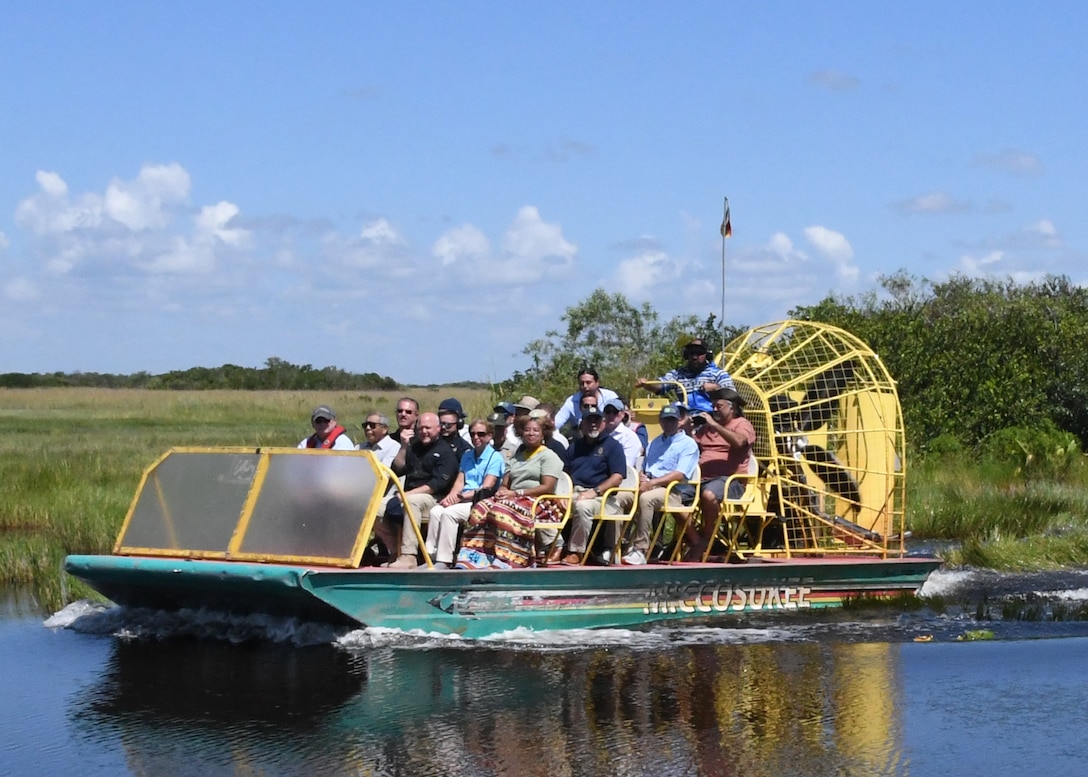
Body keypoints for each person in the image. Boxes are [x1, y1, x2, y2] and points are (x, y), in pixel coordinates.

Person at [457, 417, 565, 569]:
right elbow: (505, 484)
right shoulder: (517, 455)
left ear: (543, 434)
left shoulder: (549, 456)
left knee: (501, 511)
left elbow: (547, 487)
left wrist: (516, 493)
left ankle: (510, 559)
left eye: (535, 430)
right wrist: (502, 492)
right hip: (514, 498)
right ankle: (476, 557)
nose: (530, 433)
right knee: (481, 507)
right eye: (527, 430)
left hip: (540, 502)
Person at [374, 412, 459, 568]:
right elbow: (399, 468)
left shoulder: (446, 452)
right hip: (408, 494)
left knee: (411, 502)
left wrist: (406, 495)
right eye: (421, 428)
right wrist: (404, 446)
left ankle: (409, 556)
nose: (424, 432)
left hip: (434, 498)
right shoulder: (415, 447)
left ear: (438, 429)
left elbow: (437, 485)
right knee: (375, 507)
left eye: (428, 428)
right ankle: (395, 552)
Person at [622, 404, 700, 565]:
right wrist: (642, 478)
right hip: (650, 485)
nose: (668, 424)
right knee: (620, 497)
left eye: (672, 420)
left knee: (646, 499)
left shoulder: (688, 444)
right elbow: (644, 468)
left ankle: (640, 549)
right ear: (660, 421)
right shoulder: (655, 442)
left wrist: (651, 483)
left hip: (673, 491)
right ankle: (615, 545)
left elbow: (679, 474)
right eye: (665, 420)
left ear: (679, 421)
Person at [424, 419, 505, 569]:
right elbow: (460, 481)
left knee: (449, 514)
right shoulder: (467, 455)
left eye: (481, 434)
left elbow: (486, 487)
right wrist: (451, 497)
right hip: (463, 498)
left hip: (481, 502)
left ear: (489, 436)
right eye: (473, 434)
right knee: (436, 511)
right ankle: (430, 557)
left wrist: (460, 497)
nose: (476, 438)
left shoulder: (495, 458)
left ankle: (445, 559)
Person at [689, 388, 756, 559]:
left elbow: (740, 442)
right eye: (713, 406)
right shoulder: (706, 428)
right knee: (672, 497)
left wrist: (714, 425)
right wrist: (687, 429)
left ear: (732, 407)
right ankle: (694, 539)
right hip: (700, 478)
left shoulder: (741, 424)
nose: (715, 410)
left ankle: (709, 535)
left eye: (719, 406)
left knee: (709, 494)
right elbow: (692, 447)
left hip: (731, 481)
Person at [560, 406, 627, 565]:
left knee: (583, 506)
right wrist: (561, 495)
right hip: (573, 492)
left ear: (603, 423)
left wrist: (594, 491)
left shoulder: (613, 446)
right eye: (589, 420)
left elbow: (617, 477)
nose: (593, 424)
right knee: (546, 504)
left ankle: (576, 552)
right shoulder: (575, 446)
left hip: (602, 497)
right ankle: (551, 548)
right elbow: (564, 474)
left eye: (597, 420)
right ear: (582, 424)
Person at [636, 338, 735, 413]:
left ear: (707, 355)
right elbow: (661, 385)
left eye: (699, 353)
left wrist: (716, 388)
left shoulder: (718, 374)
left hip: (711, 419)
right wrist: (646, 384)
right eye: (691, 353)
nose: (695, 356)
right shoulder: (678, 374)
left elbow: (733, 396)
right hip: (685, 420)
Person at [553, 367, 620, 432]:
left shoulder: (610, 397)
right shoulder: (571, 402)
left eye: (588, 382)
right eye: (582, 383)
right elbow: (555, 424)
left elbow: (621, 419)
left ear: (597, 383)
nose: (585, 386)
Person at [602, 398, 643, 469]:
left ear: (623, 414)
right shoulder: (598, 434)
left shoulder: (629, 437)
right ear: (604, 414)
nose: (611, 415)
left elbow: (627, 465)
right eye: (608, 411)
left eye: (615, 412)